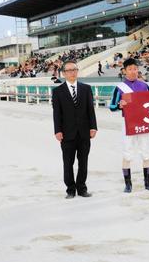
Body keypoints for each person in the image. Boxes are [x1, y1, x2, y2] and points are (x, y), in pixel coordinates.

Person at [109, 58, 149, 193]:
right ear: (124, 71)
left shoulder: (144, 85)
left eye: (135, 69)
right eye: (130, 69)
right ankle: (128, 185)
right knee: (127, 153)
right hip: (128, 123)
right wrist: (119, 105)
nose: (133, 71)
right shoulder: (119, 88)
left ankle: (147, 183)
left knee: (146, 153)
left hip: (143, 124)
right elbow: (112, 106)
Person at [52, 60, 97, 199]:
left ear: (77, 71)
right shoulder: (58, 91)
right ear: (64, 73)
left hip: (84, 132)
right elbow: (57, 113)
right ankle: (70, 189)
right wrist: (57, 130)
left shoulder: (86, 88)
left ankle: (82, 188)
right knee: (68, 162)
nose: (72, 72)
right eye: (69, 70)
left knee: (83, 162)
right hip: (67, 133)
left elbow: (91, 110)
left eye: (74, 69)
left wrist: (93, 127)